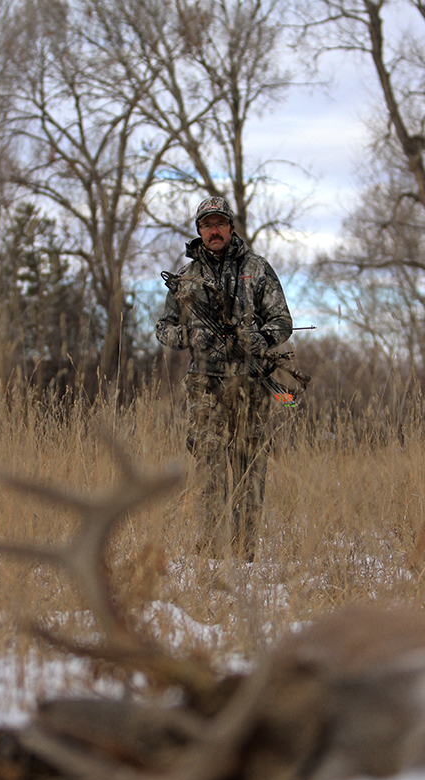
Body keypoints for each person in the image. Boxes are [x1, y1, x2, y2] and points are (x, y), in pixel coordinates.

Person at [156, 197, 293, 561]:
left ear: (231, 227)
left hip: (251, 382)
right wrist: (189, 338)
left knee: (249, 467)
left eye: (220, 223)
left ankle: (244, 553)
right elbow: (163, 329)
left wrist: (261, 338)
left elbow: (282, 321)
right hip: (205, 383)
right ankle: (212, 552)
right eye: (207, 224)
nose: (214, 230)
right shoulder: (185, 279)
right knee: (209, 464)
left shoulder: (257, 268)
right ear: (199, 231)